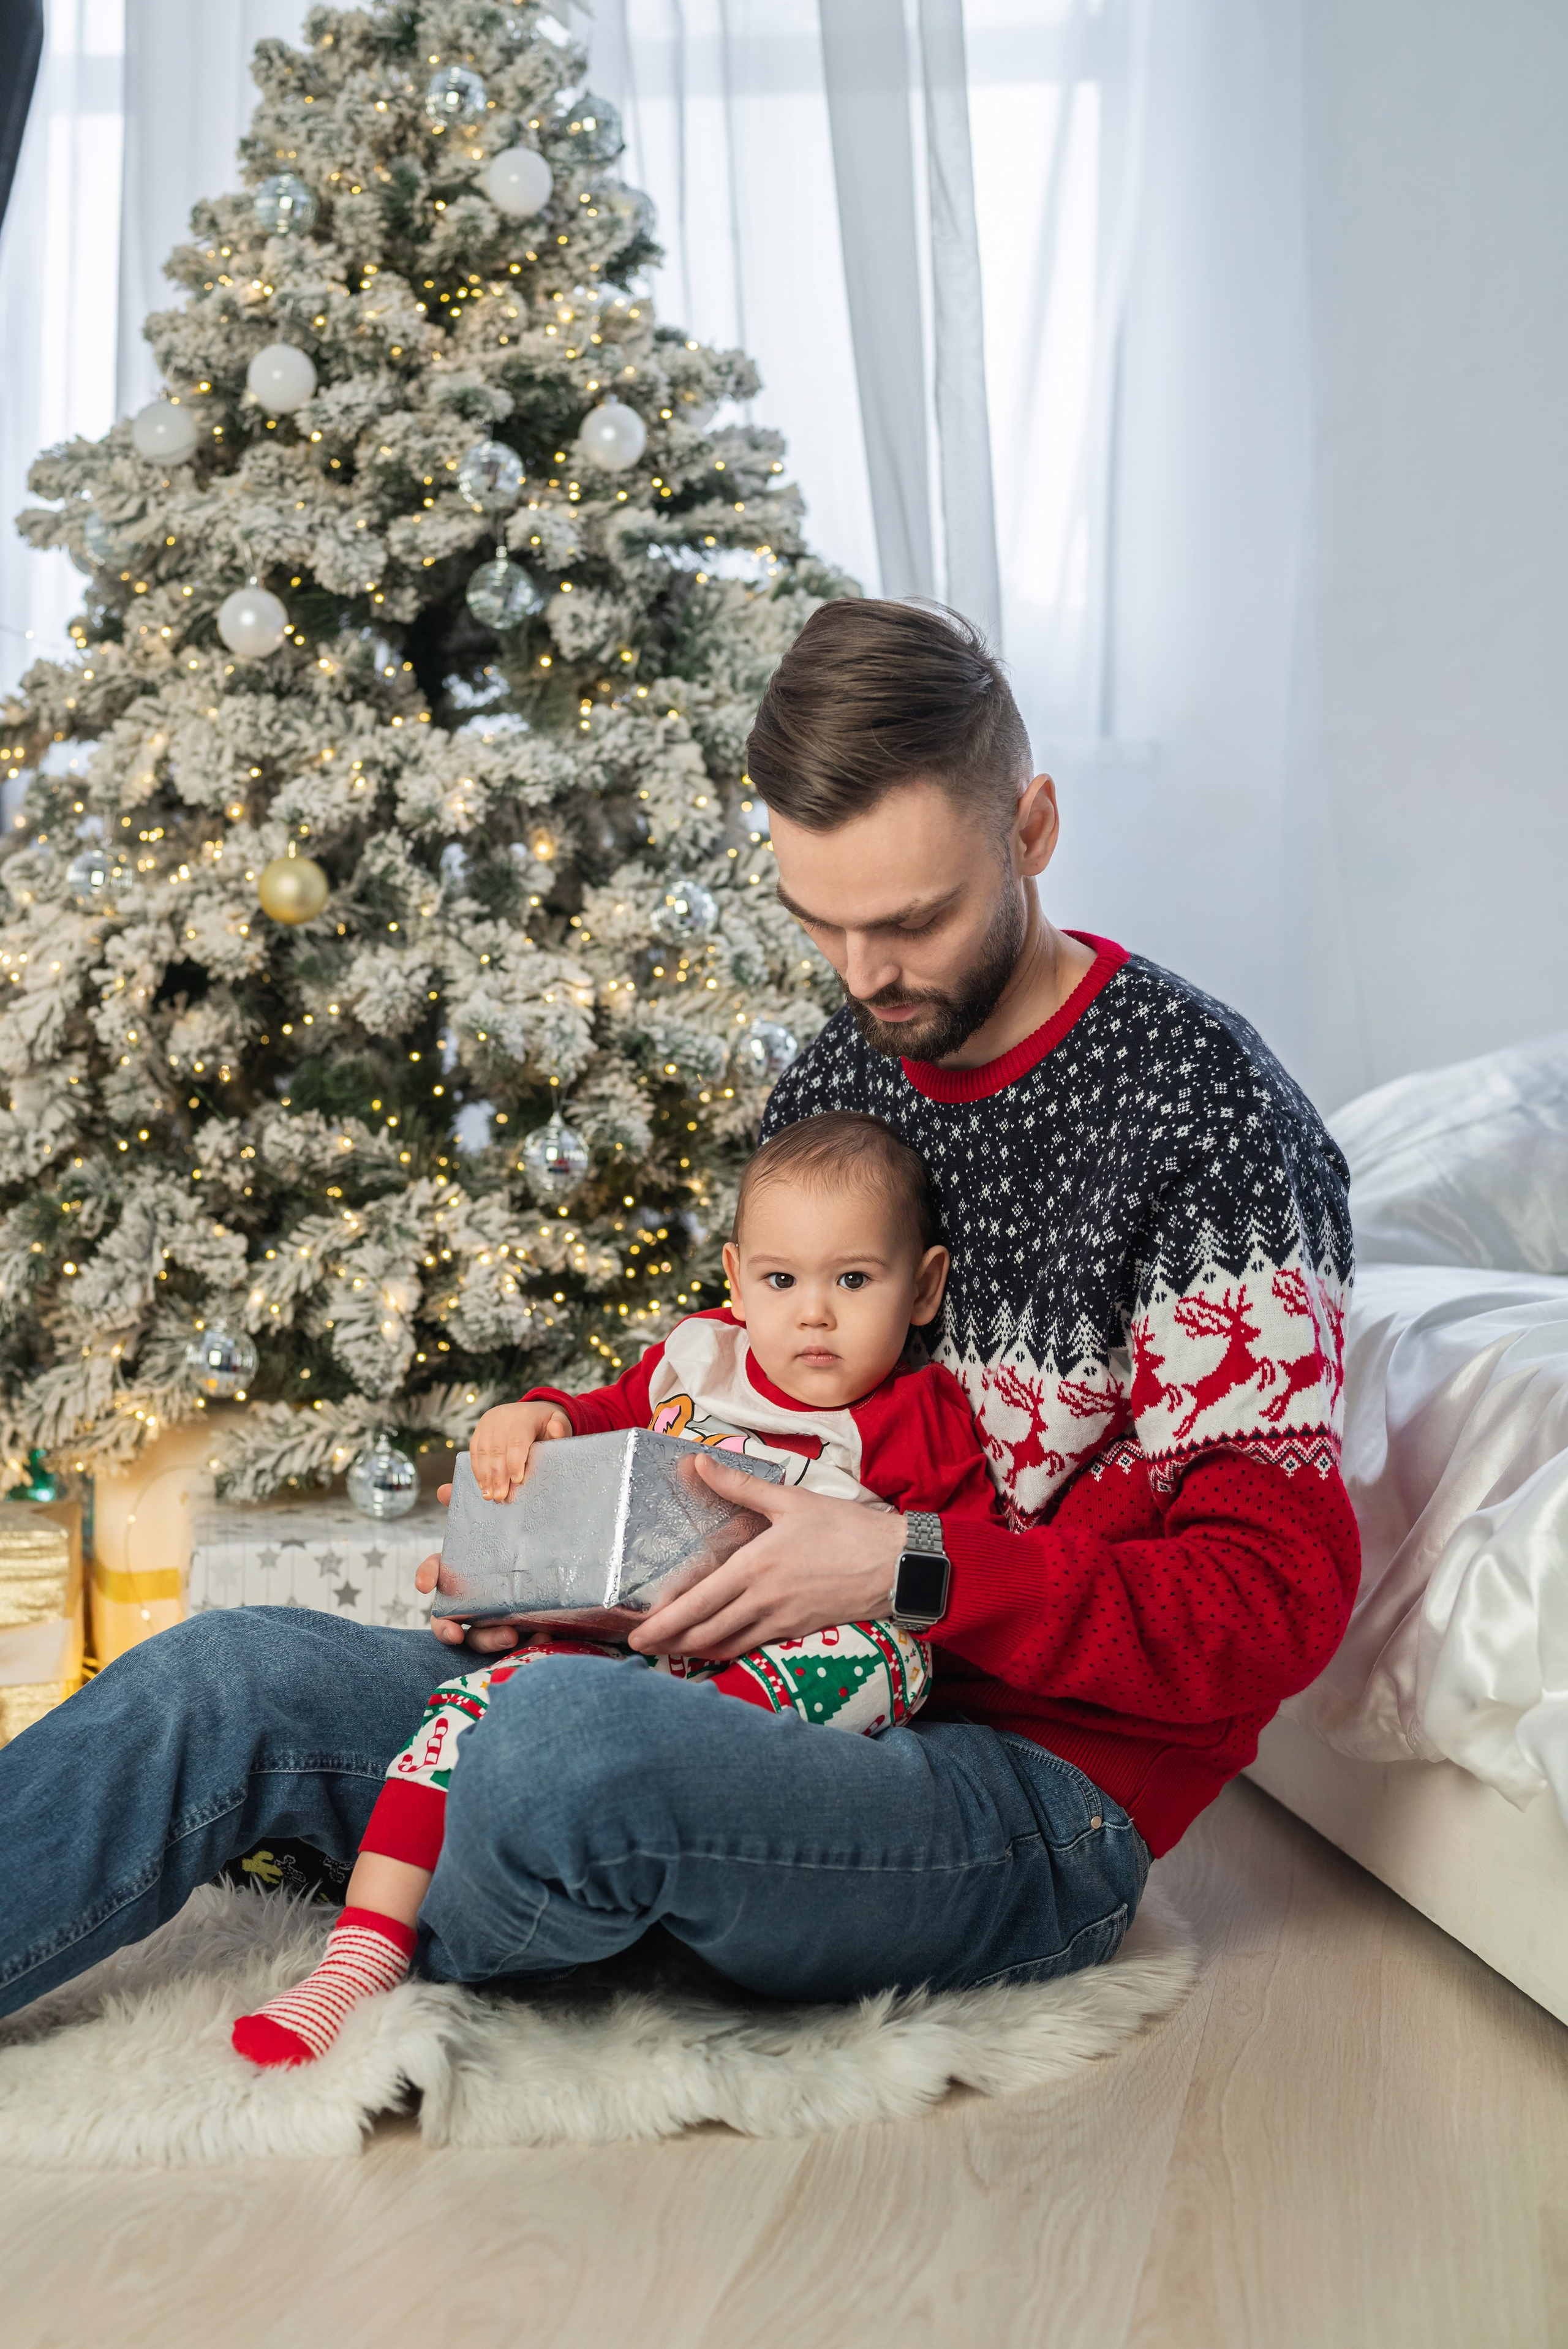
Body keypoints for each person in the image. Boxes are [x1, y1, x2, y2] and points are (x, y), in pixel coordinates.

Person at [0, 597, 1358, 2020]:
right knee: (225, 1675)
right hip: (712, 1690)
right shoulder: (843, 1072)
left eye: (911, 921)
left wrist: (904, 1567)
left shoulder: (1212, 1125)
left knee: (561, 1753)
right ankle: (462, 1862)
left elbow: (1273, 1604)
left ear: (1030, 829)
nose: (864, 977)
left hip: (1026, 1788)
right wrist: (562, 1577)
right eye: (818, 921)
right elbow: (742, 1413)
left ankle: (414, 1877)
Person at [230, 1112, 997, 2065]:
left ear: (922, 1288)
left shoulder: (915, 1417)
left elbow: (960, 1564)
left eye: (853, 1280)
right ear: (734, 1280)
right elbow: (601, 1418)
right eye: (781, 1281)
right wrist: (539, 1418)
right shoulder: (699, 1360)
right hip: (625, 1647)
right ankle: (357, 1959)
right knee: (466, 1711)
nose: (814, 1314)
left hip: (772, 1679)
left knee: (893, 1656)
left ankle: (678, 1757)